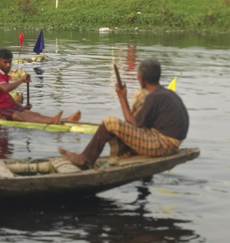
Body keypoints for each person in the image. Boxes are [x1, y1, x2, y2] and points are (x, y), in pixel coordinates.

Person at [59, 59, 189, 168]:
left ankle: (84, 159)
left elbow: (133, 124)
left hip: (165, 144)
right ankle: (123, 153)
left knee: (110, 123)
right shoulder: (165, 93)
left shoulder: (154, 98)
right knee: (138, 99)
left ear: (142, 79)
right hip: (168, 140)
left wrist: (122, 96)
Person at [0, 48, 81, 124]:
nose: (8, 65)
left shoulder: (5, 75)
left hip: (8, 106)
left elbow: (6, 95)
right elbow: (5, 88)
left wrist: (21, 106)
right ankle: (51, 121)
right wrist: (21, 80)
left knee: (33, 114)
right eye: (5, 62)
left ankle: (65, 120)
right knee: (20, 116)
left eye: (10, 62)